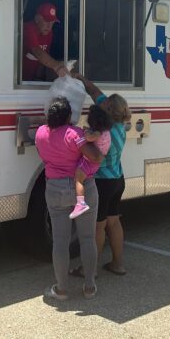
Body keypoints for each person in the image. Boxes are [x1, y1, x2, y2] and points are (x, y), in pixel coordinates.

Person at [35, 96, 103, 301]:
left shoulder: (40, 133)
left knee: (60, 242)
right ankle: (89, 287)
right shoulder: (75, 133)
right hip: (82, 187)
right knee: (87, 239)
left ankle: (61, 289)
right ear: (68, 117)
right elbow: (95, 157)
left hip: (55, 188)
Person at [71, 74, 130, 276]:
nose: (101, 105)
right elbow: (95, 92)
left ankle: (91, 269)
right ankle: (118, 263)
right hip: (118, 180)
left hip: (103, 183)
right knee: (114, 222)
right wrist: (81, 79)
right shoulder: (121, 125)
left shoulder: (105, 132)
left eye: (105, 105)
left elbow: (91, 152)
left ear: (110, 110)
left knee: (98, 227)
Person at [70, 104, 113, 220]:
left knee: (78, 179)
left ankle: (80, 203)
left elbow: (89, 138)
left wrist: (85, 133)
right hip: (95, 162)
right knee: (84, 178)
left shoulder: (97, 133)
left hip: (89, 161)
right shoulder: (106, 132)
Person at [22, 2, 68, 81]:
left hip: (32, 81)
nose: (49, 26)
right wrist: (58, 66)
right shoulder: (28, 28)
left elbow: (44, 56)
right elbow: (37, 51)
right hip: (18, 81)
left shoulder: (48, 33)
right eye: (46, 21)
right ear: (37, 19)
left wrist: (38, 78)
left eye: (52, 23)